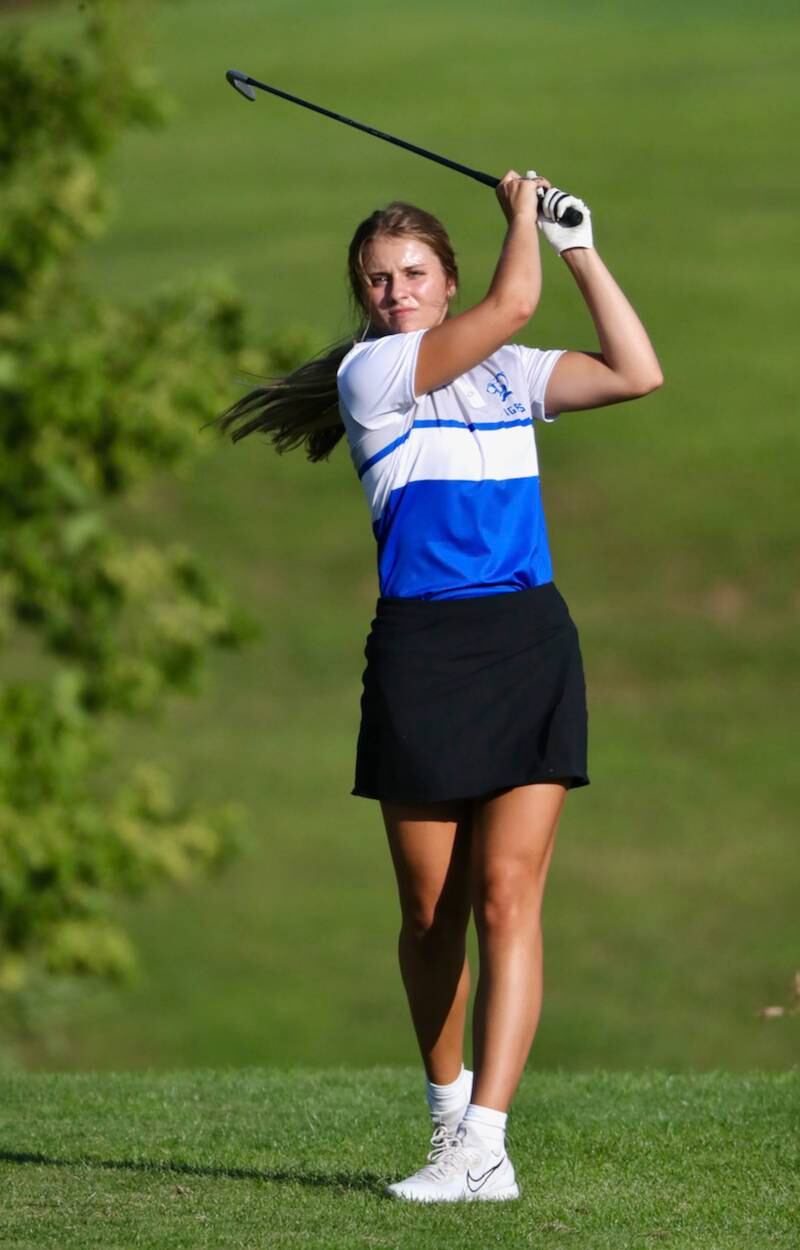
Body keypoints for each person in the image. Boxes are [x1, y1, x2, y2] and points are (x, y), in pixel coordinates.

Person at [214, 170, 662, 1203]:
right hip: (421, 652)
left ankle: (488, 1145)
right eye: (375, 279)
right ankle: (448, 1111)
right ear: (362, 297)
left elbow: (636, 373)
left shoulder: (507, 373)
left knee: (509, 897)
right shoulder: (372, 375)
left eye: (413, 273)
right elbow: (510, 301)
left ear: (444, 281)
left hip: (525, 642)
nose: (394, 291)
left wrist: (578, 248)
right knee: (430, 913)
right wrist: (520, 217)